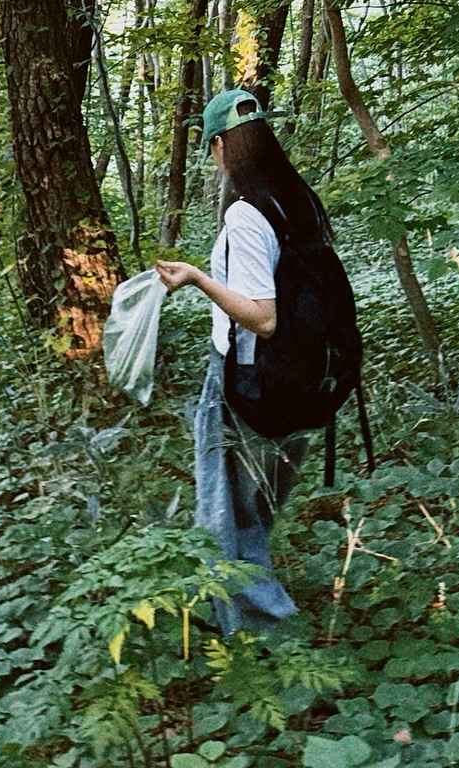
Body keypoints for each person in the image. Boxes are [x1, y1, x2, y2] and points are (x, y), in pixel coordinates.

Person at [155, 86, 327, 635]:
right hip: (300, 379)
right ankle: (230, 613)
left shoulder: (248, 216)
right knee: (251, 509)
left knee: (225, 513)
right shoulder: (297, 202)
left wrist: (197, 278)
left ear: (220, 147)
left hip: (249, 382)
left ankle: (267, 633)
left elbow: (263, 317)